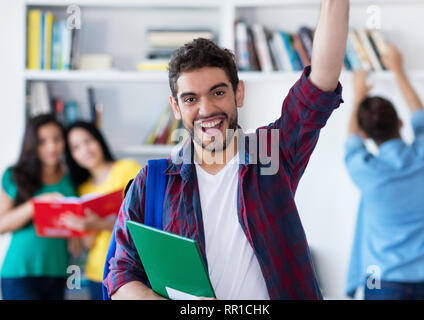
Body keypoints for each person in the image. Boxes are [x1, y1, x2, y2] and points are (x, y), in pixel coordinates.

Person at [104, 0, 348, 300]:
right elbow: (120, 275)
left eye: (218, 93)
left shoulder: (271, 152)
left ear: (239, 92)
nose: (206, 109)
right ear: (176, 107)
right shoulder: (153, 181)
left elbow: (321, 81)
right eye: (191, 99)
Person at [345, 44, 424, 300]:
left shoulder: (365, 170)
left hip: (381, 280)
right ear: (401, 123)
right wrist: (399, 70)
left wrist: (358, 93)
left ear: (365, 134)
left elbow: (351, 142)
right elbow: (420, 115)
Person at [0, 114, 78, 300]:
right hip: (20, 272)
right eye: (42, 141)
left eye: (57, 139)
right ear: (32, 144)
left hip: (58, 272)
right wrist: (36, 205)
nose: (51, 147)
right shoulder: (15, 175)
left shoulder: (70, 179)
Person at [61, 121, 141, 300]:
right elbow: (89, 244)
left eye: (88, 141)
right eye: (76, 147)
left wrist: (97, 223)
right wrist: (85, 228)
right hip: (97, 273)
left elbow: (142, 221)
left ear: (99, 140)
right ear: (71, 155)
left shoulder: (127, 168)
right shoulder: (82, 190)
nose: (85, 150)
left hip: (132, 271)